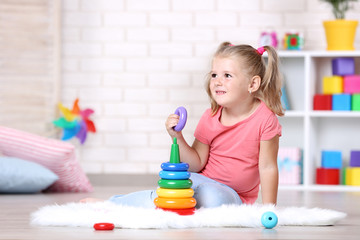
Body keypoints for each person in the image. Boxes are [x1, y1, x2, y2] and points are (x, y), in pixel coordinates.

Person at [81, 42, 283, 207]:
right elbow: (195, 164)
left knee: (212, 198)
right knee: (176, 188)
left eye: (227, 75)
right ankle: (112, 205)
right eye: (214, 75)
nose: (217, 81)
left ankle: (184, 205)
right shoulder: (211, 116)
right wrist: (176, 137)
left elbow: (267, 167)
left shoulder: (265, 119)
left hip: (233, 196)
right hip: (201, 182)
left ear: (253, 84)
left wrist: (268, 210)